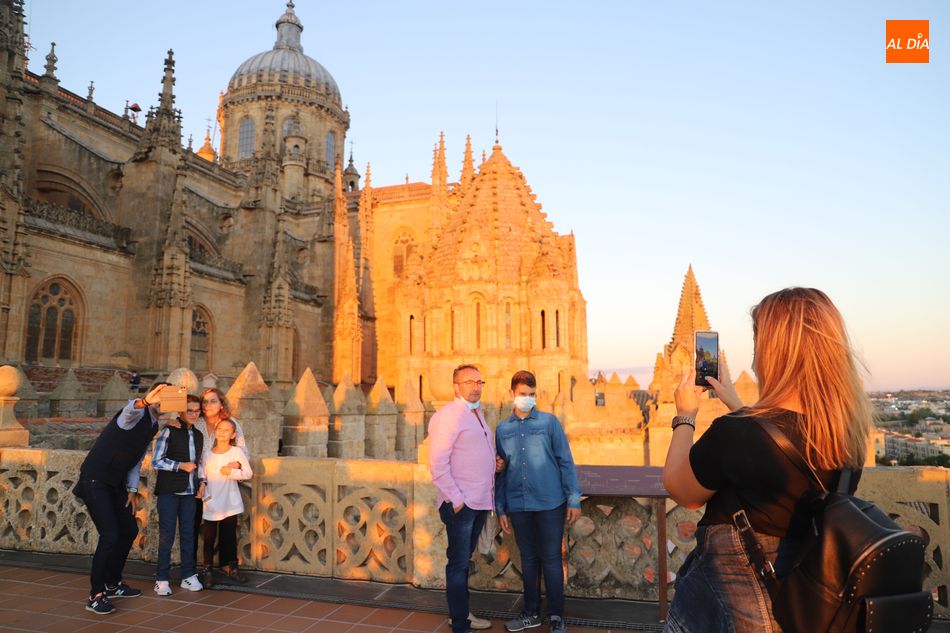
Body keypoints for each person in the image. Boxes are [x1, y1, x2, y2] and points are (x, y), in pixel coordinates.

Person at [662, 288, 872, 633]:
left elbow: (681, 489)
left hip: (734, 605)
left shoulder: (735, 434)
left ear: (777, 355)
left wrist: (685, 416)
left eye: (759, 345)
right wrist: (738, 404)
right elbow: (778, 440)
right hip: (805, 601)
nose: (755, 359)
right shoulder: (846, 434)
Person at [495, 371, 581, 633]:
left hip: (550, 503)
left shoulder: (549, 423)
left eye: (532, 395)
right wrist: (501, 508)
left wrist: (573, 499)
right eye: (523, 395)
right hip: (519, 505)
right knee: (529, 560)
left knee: (552, 559)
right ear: (512, 394)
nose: (527, 399)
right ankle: (530, 613)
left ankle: (556, 616)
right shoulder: (502, 430)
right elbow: (500, 471)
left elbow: (565, 460)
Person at [72, 383, 167, 615]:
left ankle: (112, 583)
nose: (164, 403)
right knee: (111, 534)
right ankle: (95, 595)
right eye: (161, 397)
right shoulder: (137, 414)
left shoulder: (153, 424)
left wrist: (132, 489)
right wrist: (145, 400)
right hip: (95, 479)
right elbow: (128, 412)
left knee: (128, 530)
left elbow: (136, 458)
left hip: (116, 483)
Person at [428, 364, 498, 633]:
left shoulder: (477, 415)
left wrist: (495, 463)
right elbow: (438, 464)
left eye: (479, 381)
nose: (475, 386)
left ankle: (462, 614)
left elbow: (473, 454)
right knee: (458, 564)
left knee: (463, 561)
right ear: (456, 386)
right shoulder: (448, 416)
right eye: (469, 382)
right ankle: (460, 624)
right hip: (463, 505)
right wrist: (457, 500)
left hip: (479, 501)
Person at [151, 394, 205, 596]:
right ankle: (161, 579)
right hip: (169, 491)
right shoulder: (170, 430)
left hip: (190, 492)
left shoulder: (198, 435)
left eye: (197, 410)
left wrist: (202, 482)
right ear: (181, 411)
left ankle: (188, 576)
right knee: (167, 534)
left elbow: (201, 462)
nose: (193, 414)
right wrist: (180, 466)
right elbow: (157, 460)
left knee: (188, 534)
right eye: (189, 410)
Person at [200, 417, 253, 586]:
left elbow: (248, 473)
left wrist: (230, 472)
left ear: (233, 434)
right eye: (220, 429)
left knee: (229, 536)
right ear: (215, 432)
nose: (222, 432)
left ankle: (232, 567)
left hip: (230, 502)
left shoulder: (236, 453)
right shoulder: (207, 453)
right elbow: (203, 475)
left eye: (226, 430)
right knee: (209, 537)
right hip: (211, 501)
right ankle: (207, 569)